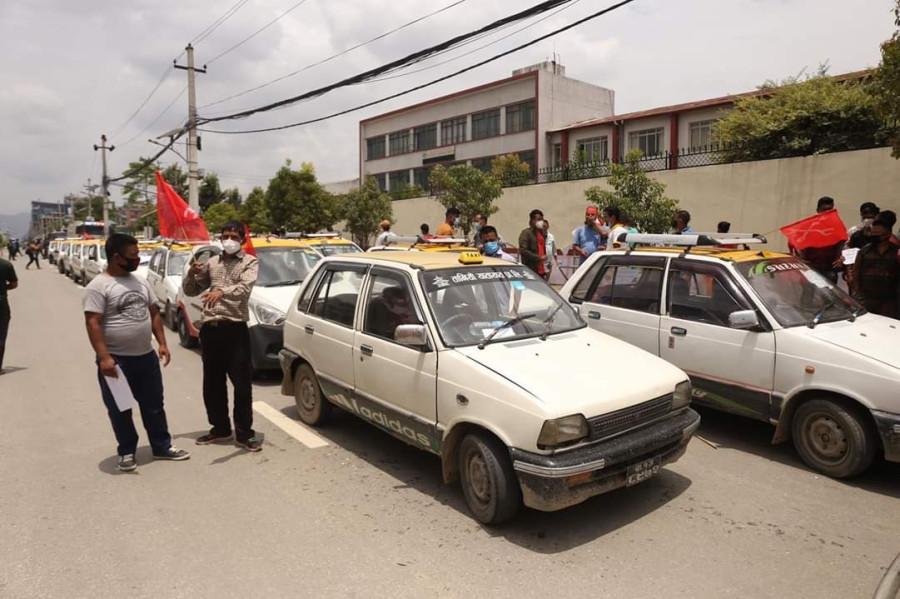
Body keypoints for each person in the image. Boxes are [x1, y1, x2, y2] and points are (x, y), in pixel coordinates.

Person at [83, 233, 189, 471]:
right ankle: (127, 451)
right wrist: (104, 358)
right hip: (117, 361)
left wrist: (162, 343)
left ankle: (162, 446)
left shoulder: (140, 281)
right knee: (121, 408)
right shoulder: (98, 287)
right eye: (133, 255)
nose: (137, 258)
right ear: (117, 257)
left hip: (146, 357)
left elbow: (153, 313)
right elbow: (93, 324)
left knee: (154, 405)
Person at [183, 221, 262, 452]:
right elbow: (192, 290)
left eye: (234, 236)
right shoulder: (212, 262)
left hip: (235, 330)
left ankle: (245, 433)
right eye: (225, 236)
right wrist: (191, 273)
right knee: (212, 383)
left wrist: (221, 292)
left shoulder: (250, 262)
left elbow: (244, 289)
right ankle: (220, 429)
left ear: (242, 240)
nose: (229, 240)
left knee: (242, 385)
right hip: (211, 330)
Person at [851, 211, 900, 318]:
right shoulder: (864, 252)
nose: (874, 237)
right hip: (867, 299)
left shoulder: (896, 252)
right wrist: (857, 292)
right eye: (873, 234)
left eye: (877, 235)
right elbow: (856, 272)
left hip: (889, 301)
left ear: (887, 234)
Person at [791, 196, 843, 283]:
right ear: (818, 210)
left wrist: (840, 257)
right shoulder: (809, 226)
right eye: (824, 210)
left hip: (829, 269)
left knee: (829, 295)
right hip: (811, 268)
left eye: (830, 209)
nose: (827, 212)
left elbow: (843, 241)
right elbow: (798, 243)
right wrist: (801, 260)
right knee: (808, 294)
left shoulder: (837, 226)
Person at [518, 209, 549, 279]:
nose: (540, 222)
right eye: (538, 219)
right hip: (530, 269)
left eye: (542, 219)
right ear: (531, 221)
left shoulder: (543, 234)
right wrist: (539, 257)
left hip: (542, 270)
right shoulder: (526, 233)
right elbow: (523, 250)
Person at [0, 253, 17, 374]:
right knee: (1, 335)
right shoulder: (6, 264)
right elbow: (14, 284)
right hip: (1, 303)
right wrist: (4, 288)